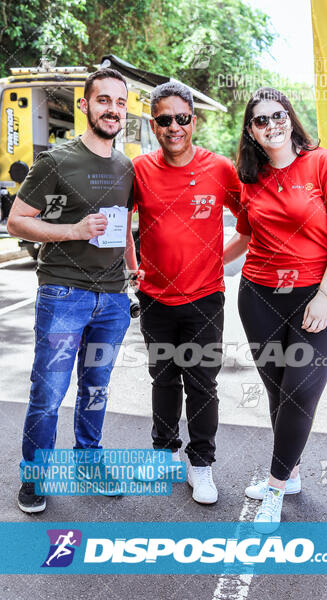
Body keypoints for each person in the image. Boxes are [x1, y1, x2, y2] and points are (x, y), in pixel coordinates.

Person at [223, 87, 327, 531]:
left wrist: (322, 296)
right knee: (279, 392)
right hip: (259, 296)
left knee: (300, 392)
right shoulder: (251, 177)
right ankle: (292, 474)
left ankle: (276, 487)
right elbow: (244, 237)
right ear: (252, 131)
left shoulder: (325, 164)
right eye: (261, 121)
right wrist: (203, 262)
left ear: (290, 117)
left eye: (278, 116)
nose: (272, 125)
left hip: (319, 295)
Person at [7, 68, 137, 513]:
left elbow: (125, 229)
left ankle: (89, 462)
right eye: (104, 101)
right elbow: (17, 222)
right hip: (64, 295)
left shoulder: (126, 167)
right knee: (48, 393)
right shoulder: (56, 161)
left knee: (96, 388)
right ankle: (36, 477)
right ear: (85, 105)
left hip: (114, 300)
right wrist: (74, 229)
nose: (112, 110)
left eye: (120, 103)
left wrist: (133, 273)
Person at [133, 82, 241, 504]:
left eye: (181, 118)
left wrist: (214, 259)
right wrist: (131, 267)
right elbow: (120, 220)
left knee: (201, 383)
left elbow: (249, 225)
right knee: (162, 378)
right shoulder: (139, 170)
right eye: (164, 119)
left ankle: (202, 465)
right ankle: (163, 453)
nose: (174, 127)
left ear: (193, 121)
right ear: (153, 124)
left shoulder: (219, 169)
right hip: (155, 298)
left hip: (204, 299)